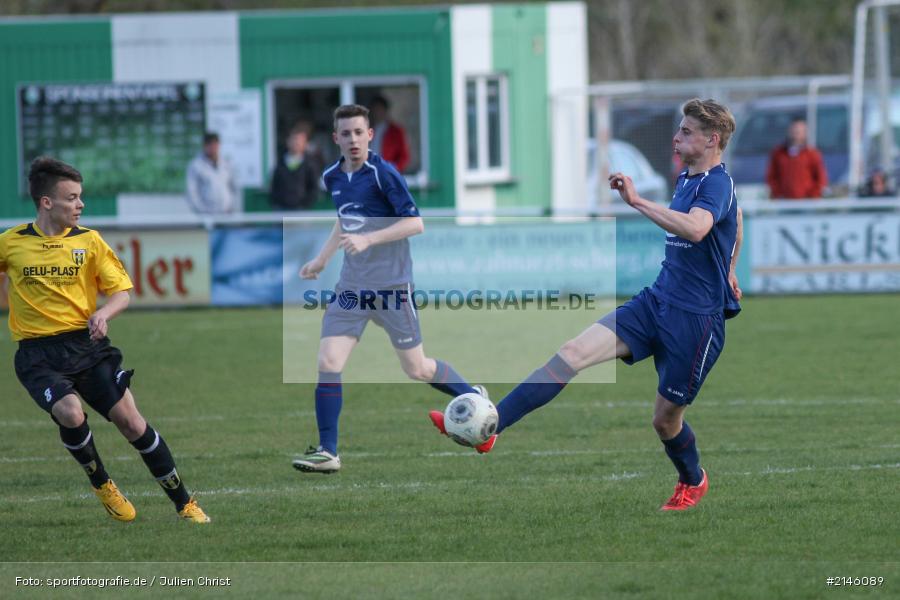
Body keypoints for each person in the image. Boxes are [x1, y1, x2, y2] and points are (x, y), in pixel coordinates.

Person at [430, 99, 744, 511]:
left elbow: (702, 227)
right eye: (680, 128)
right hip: (657, 301)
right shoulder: (688, 177)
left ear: (711, 140)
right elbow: (736, 222)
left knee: (664, 421)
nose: (677, 136)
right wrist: (731, 268)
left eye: (686, 131)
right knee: (572, 353)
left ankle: (692, 479)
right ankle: (492, 427)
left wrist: (637, 202)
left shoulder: (716, 183)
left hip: (696, 323)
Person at [0, 157, 210, 523]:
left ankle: (185, 503)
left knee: (131, 422)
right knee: (69, 412)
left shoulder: (90, 241)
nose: (80, 205)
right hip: (38, 355)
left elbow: (122, 293)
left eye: (81, 197)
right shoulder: (12, 243)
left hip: (87, 347)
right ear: (47, 202)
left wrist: (103, 314)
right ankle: (102, 484)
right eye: (72, 198)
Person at [292, 104, 485, 474]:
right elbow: (343, 221)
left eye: (358, 132)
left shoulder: (384, 175)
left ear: (370, 135)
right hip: (351, 286)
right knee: (328, 362)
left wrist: (370, 240)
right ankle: (328, 451)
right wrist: (321, 259)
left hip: (393, 287)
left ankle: (473, 396)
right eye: (345, 133)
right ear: (336, 138)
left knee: (418, 368)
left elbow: (415, 223)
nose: (352, 140)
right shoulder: (332, 176)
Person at [765, 118, 828, 199]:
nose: (796, 134)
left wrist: (813, 195)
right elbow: (771, 177)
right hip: (783, 201)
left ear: (805, 133)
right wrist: (778, 193)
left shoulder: (812, 154)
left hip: (807, 201)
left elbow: (821, 178)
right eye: (794, 131)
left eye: (799, 131)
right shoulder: (778, 154)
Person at [270, 121, 322, 210]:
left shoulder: (310, 165)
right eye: (293, 139)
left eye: (299, 141)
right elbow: (274, 186)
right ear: (288, 141)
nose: (296, 143)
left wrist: (304, 205)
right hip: (281, 211)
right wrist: (277, 203)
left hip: (302, 212)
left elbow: (314, 189)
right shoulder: (280, 163)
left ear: (305, 144)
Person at [186, 132, 239, 213]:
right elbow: (192, 192)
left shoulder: (227, 164)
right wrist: (202, 211)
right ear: (204, 146)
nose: (213, 147)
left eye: (215, 144)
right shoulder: (196, 166)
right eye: (209, 144)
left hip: (227, 213)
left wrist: (231, 206)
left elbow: (234, 188)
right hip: (206, 215)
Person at [369, 95, 411, 173]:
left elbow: (404, 157)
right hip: (369, 173)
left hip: (387, 174)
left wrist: (393, 169)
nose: (377, 112)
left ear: (385, 110)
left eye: (379, 109)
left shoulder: (396, 132)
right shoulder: (366, 129)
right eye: (375, 110)